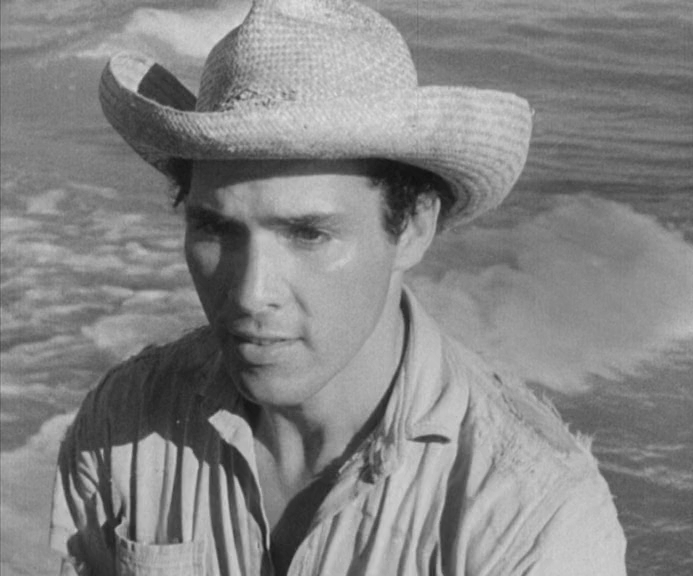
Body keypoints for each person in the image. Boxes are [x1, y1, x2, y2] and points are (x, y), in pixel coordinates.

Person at [50, 0, 627, 574]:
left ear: (413, 227)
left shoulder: (530, 516)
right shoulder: (121, 424)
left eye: (308, 234)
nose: (250, 293)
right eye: (215, 228)